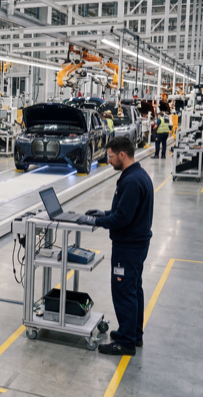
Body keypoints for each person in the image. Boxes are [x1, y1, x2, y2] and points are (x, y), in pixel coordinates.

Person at [77, 137, 153, 356]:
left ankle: (127, 342)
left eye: (110, 156)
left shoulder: (130, 181)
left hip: (128, 247)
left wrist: (95, 221)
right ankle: (134, 334)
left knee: (124, 291)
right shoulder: (138, 175)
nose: (108, 160)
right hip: (136, 244)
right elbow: (124, 212)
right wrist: (105, 213)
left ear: (122, 155)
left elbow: (123, 218)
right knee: (134, 289)